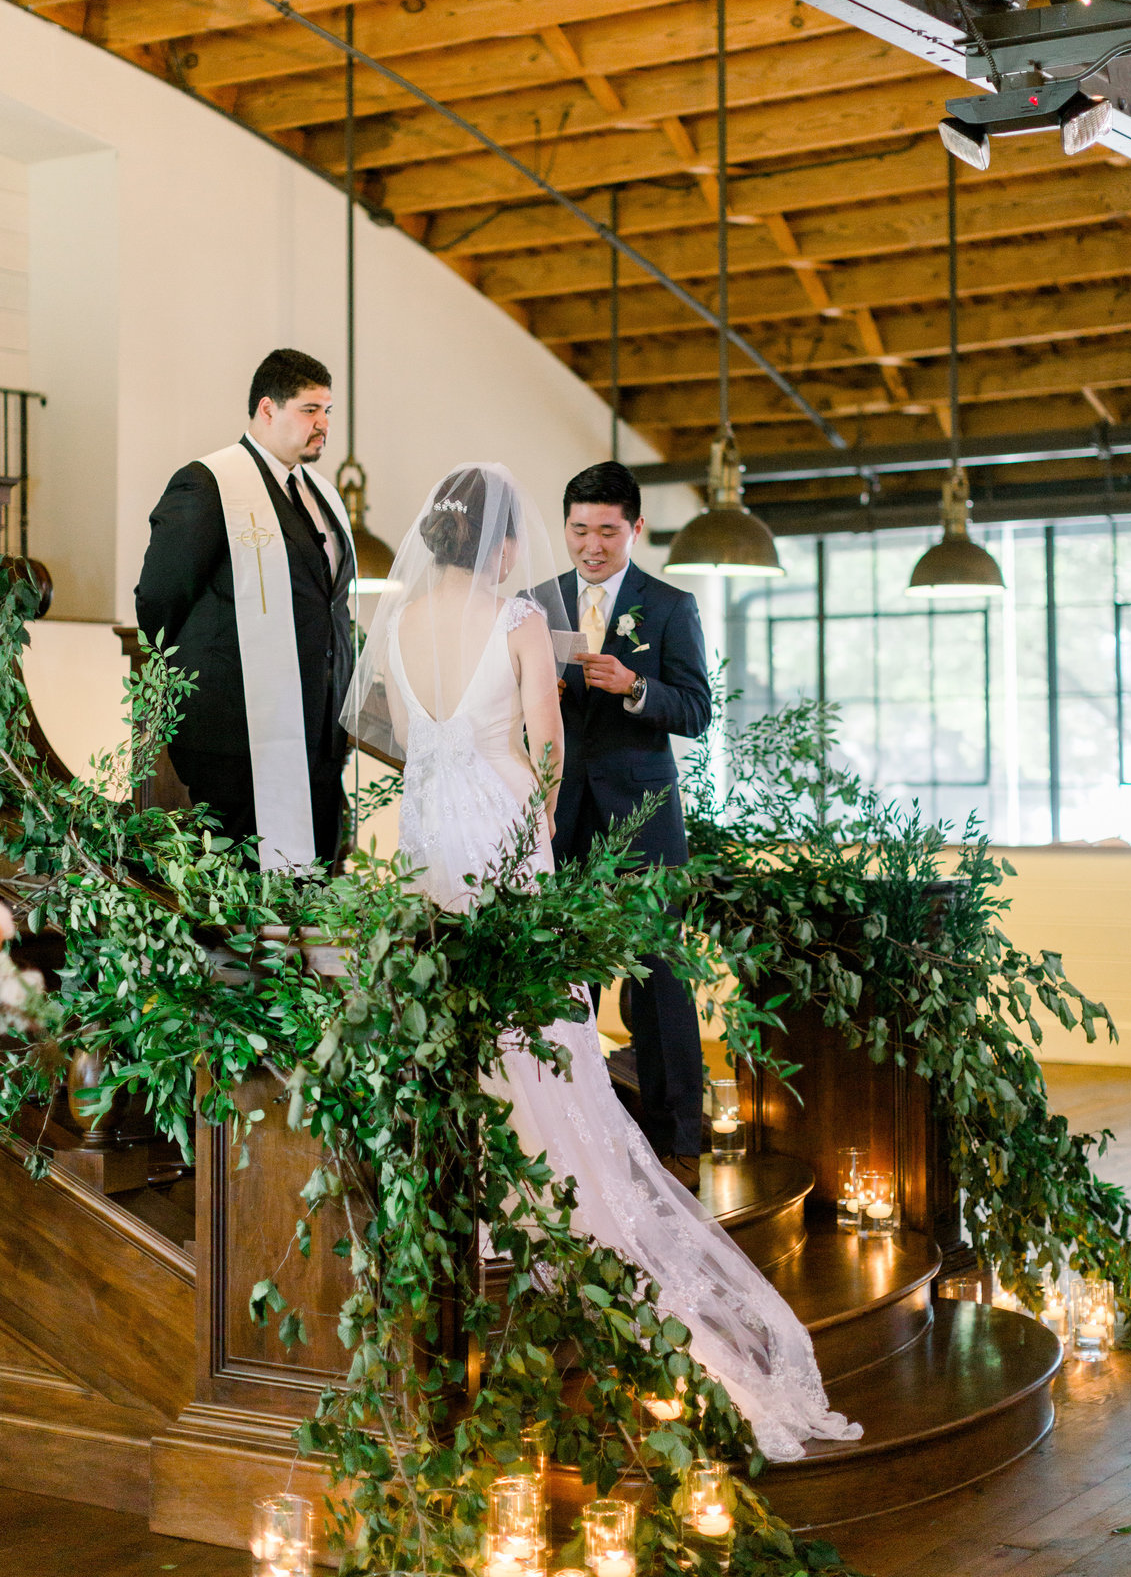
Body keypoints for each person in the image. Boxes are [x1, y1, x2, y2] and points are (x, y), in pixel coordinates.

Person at [340, 461, 861, 1464]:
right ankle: (545, 1194)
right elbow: (545, 751)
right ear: (500, 544)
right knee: (531, 1024)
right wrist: (531, 832)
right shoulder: (519, 620)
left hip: (428, 836)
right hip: (503, 828)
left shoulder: (395, 626)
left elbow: (401, 739)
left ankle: (462, 1190)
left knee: (452, 1009)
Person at [549, 461, 710, 1193]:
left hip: (643, 820)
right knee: (561, 979)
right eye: (579, 529)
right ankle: (576, 1129)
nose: (591, 545)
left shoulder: (670, 606)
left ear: (635, 529)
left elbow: (697, 711)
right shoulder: (535, 602)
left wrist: (636, 688)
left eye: (607, 531)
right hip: (558, 819)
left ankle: (679, 1138)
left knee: (659, 979)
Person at [135, 348, 355, 870]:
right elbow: (159, 598)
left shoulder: (320, 493)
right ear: (266, 409)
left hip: (319, 732)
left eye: (327, 410)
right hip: (237, 733)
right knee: (244, 893)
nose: (323, 424)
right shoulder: (209, 483)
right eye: (309, 410)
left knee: (315, 884)